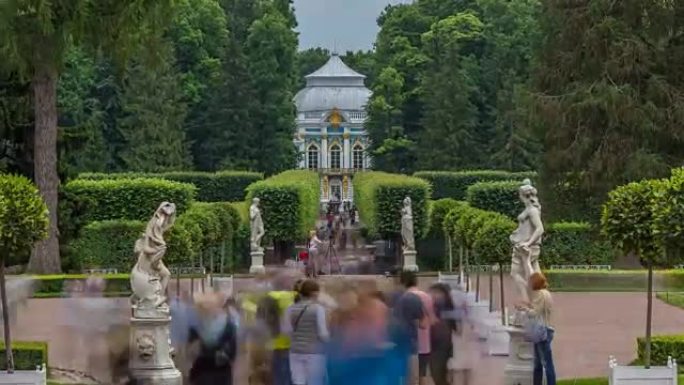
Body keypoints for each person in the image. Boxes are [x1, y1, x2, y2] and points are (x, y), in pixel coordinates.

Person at [283, 280, 329, 385]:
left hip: (295, 351)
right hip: (315, 352)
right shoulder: (318, 309)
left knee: (298, 381)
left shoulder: (290, 309)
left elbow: (286, 331)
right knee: (314, 381)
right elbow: (322, 333)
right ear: (315, 293)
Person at [189, 292, 237, 385]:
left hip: (208, 371)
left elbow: (192, 349)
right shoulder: (229, 325)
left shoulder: (197, 327)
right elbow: (232, 352)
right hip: (215, 370)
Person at [390, 271, 426, 385]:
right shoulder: (414, 299)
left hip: (393, 344)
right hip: (410, 344)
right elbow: (423, 324)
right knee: (411, 380)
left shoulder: (391, 296)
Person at [519, 272, 555, 385]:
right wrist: (529, 305)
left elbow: (534, 313)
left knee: (542, 363)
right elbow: (540, 309)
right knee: (543, 363)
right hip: (546, 329)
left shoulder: (540, 294)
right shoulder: (547, 294)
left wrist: (524, 309)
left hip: (540, 331)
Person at [427, 284, 457, 385]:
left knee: (438, 376)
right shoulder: (447, 310)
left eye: (433, 293)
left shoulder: (440, 310)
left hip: (439, 345)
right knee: (439, 376)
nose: (430, 296)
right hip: (442, 344)